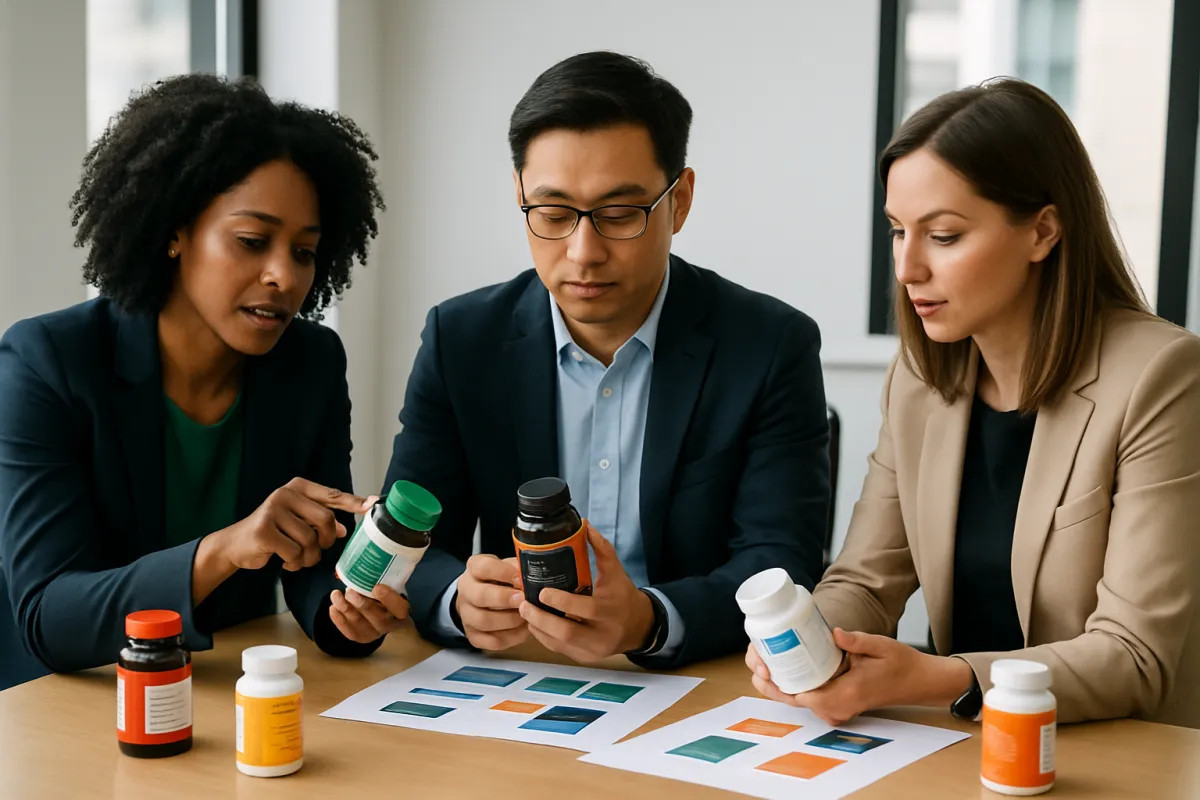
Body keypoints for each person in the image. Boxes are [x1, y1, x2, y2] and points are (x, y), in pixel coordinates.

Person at [746, 78, 1200, 729]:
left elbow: (1134, 656)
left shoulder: (1160, 375)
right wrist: (804, 639)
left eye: (945, 236)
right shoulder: (917, 379)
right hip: (961, 739)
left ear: (1043, 230)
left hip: (1115, 749)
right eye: (899, 231)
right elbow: (866, 583)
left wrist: (942, 677)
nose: (907, 269)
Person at [383, 51, 830, 670]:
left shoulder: (769, 344)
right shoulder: (462, 339)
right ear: (519, 195)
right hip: (520, 675)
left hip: (698, 679)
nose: (583, 252)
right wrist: (458, 600)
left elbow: (781, 560)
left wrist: (648, 621)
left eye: (620, 214)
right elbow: (411, 539)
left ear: (680, 201)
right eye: (554, 214)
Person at [0, 75, 405, 690]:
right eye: (252, 241)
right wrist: (225, 549)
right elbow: (49, 617)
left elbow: (311, 566)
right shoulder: (48, 362)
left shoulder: (310, 363)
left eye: (304, 252)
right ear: (173, 232)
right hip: (66, 706)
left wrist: (352, 608)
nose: (283, 276)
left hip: (223, 695)